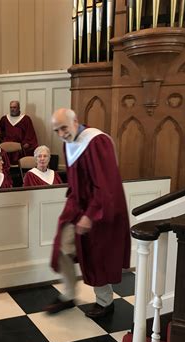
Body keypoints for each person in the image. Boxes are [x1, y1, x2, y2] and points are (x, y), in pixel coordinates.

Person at [45, 108, 130, 319]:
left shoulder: (97, 141)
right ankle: (69, 294)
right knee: (63, 247)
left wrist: (90, 215)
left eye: (64, 128)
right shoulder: (69, 143)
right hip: (77, 205)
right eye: (57, 130)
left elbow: (106, 184)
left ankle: (105, 302)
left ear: (75, 122)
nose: (62, 134)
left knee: (96, 253)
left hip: (102, 207)